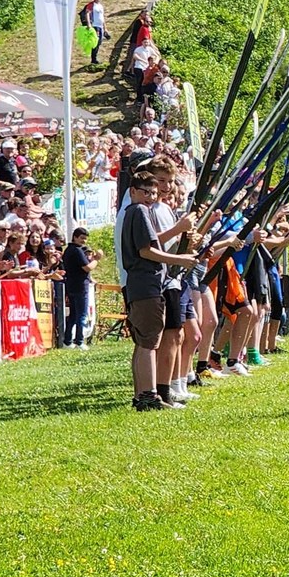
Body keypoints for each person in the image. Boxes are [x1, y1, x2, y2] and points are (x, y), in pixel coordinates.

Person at [120, 165, 209, 411]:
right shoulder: (139, 211)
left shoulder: (134, 211)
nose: (150, 196)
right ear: (133, 192)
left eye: (153, 192)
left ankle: (142, 396)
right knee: (150, 343)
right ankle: (149, 397)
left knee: (143, 343)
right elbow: (146, 250)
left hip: (141, 285)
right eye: (145, 192)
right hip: (147, 285)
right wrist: (179, 259)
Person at [59, 227, 97, 348]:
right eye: (81, 238)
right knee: (82, 315)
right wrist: (96, 260)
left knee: (73, 315)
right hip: (80, 286)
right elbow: (87, 268)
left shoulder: (68, 250)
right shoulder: (77, 250)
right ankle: (79, 341)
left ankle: (67, 341)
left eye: (85, 239)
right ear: (75, 237)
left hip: (71, 285)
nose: (84, 241)